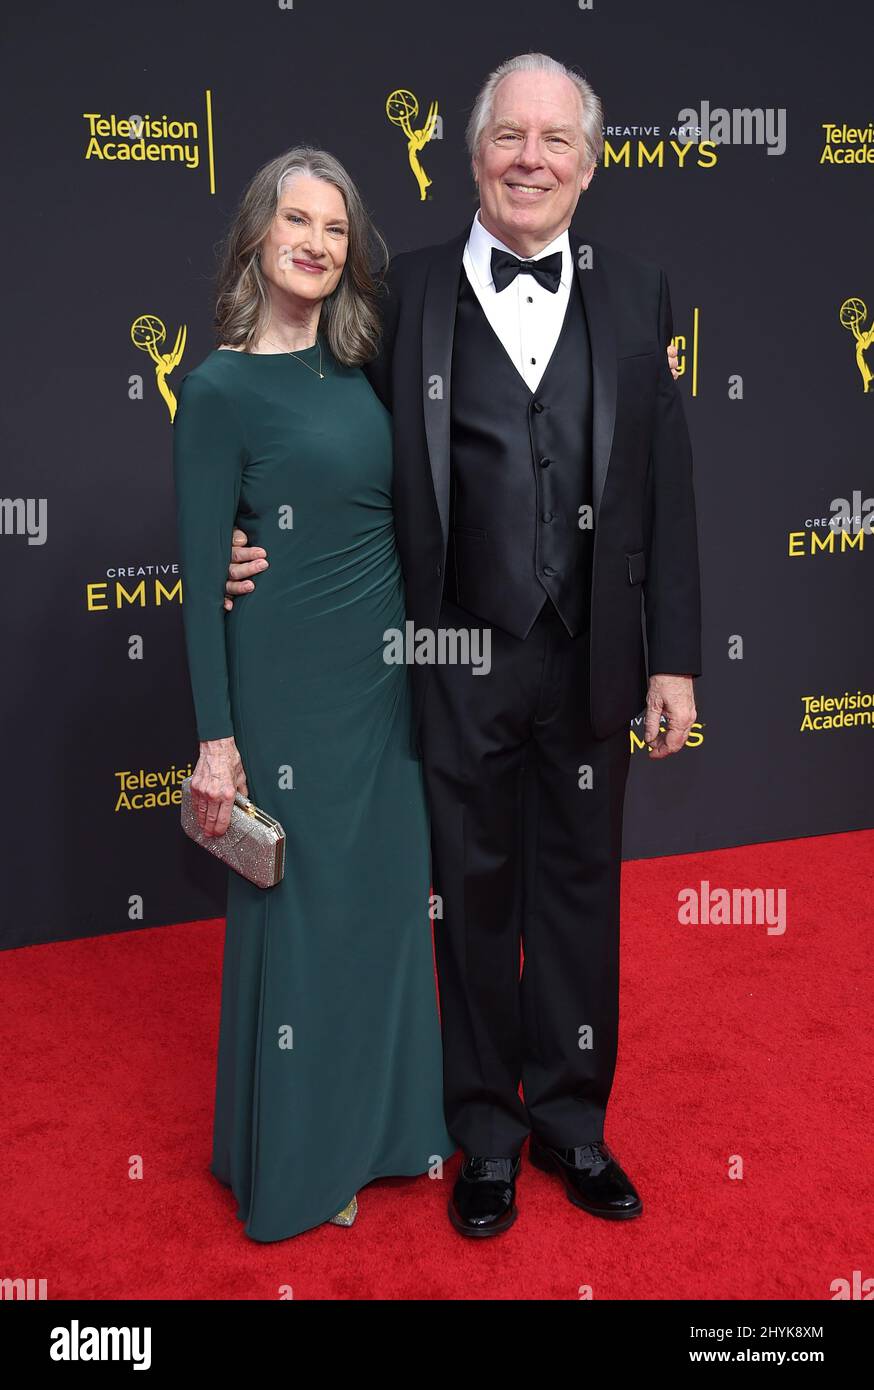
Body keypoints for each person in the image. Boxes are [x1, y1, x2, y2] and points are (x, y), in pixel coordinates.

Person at [226, 52, 700, 1239]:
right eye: (508, 137)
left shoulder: (642, 295)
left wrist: (673, 656)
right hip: (450, 654)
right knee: (472, 900)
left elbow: (669, 492)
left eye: (556, 141)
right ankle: (484, 1132)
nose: (530, 159)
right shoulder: (405, 294)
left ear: (590, 166)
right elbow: (312, 428)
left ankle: (573, 1126)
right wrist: (244, 527)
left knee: (582, 897)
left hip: (591, 653)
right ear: (472, 152)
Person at [172, 147, 453, 1243]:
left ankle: (385, 1131)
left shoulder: (363, 365)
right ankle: (297, 1159)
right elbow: (203, 582)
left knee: (381, 911)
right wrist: (216, 744)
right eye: (297, 219)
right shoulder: (218, 387)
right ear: (256, 234)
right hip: (284, 689)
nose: (318, 243)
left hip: (383, 687)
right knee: (300, 915)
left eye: (335, 228)